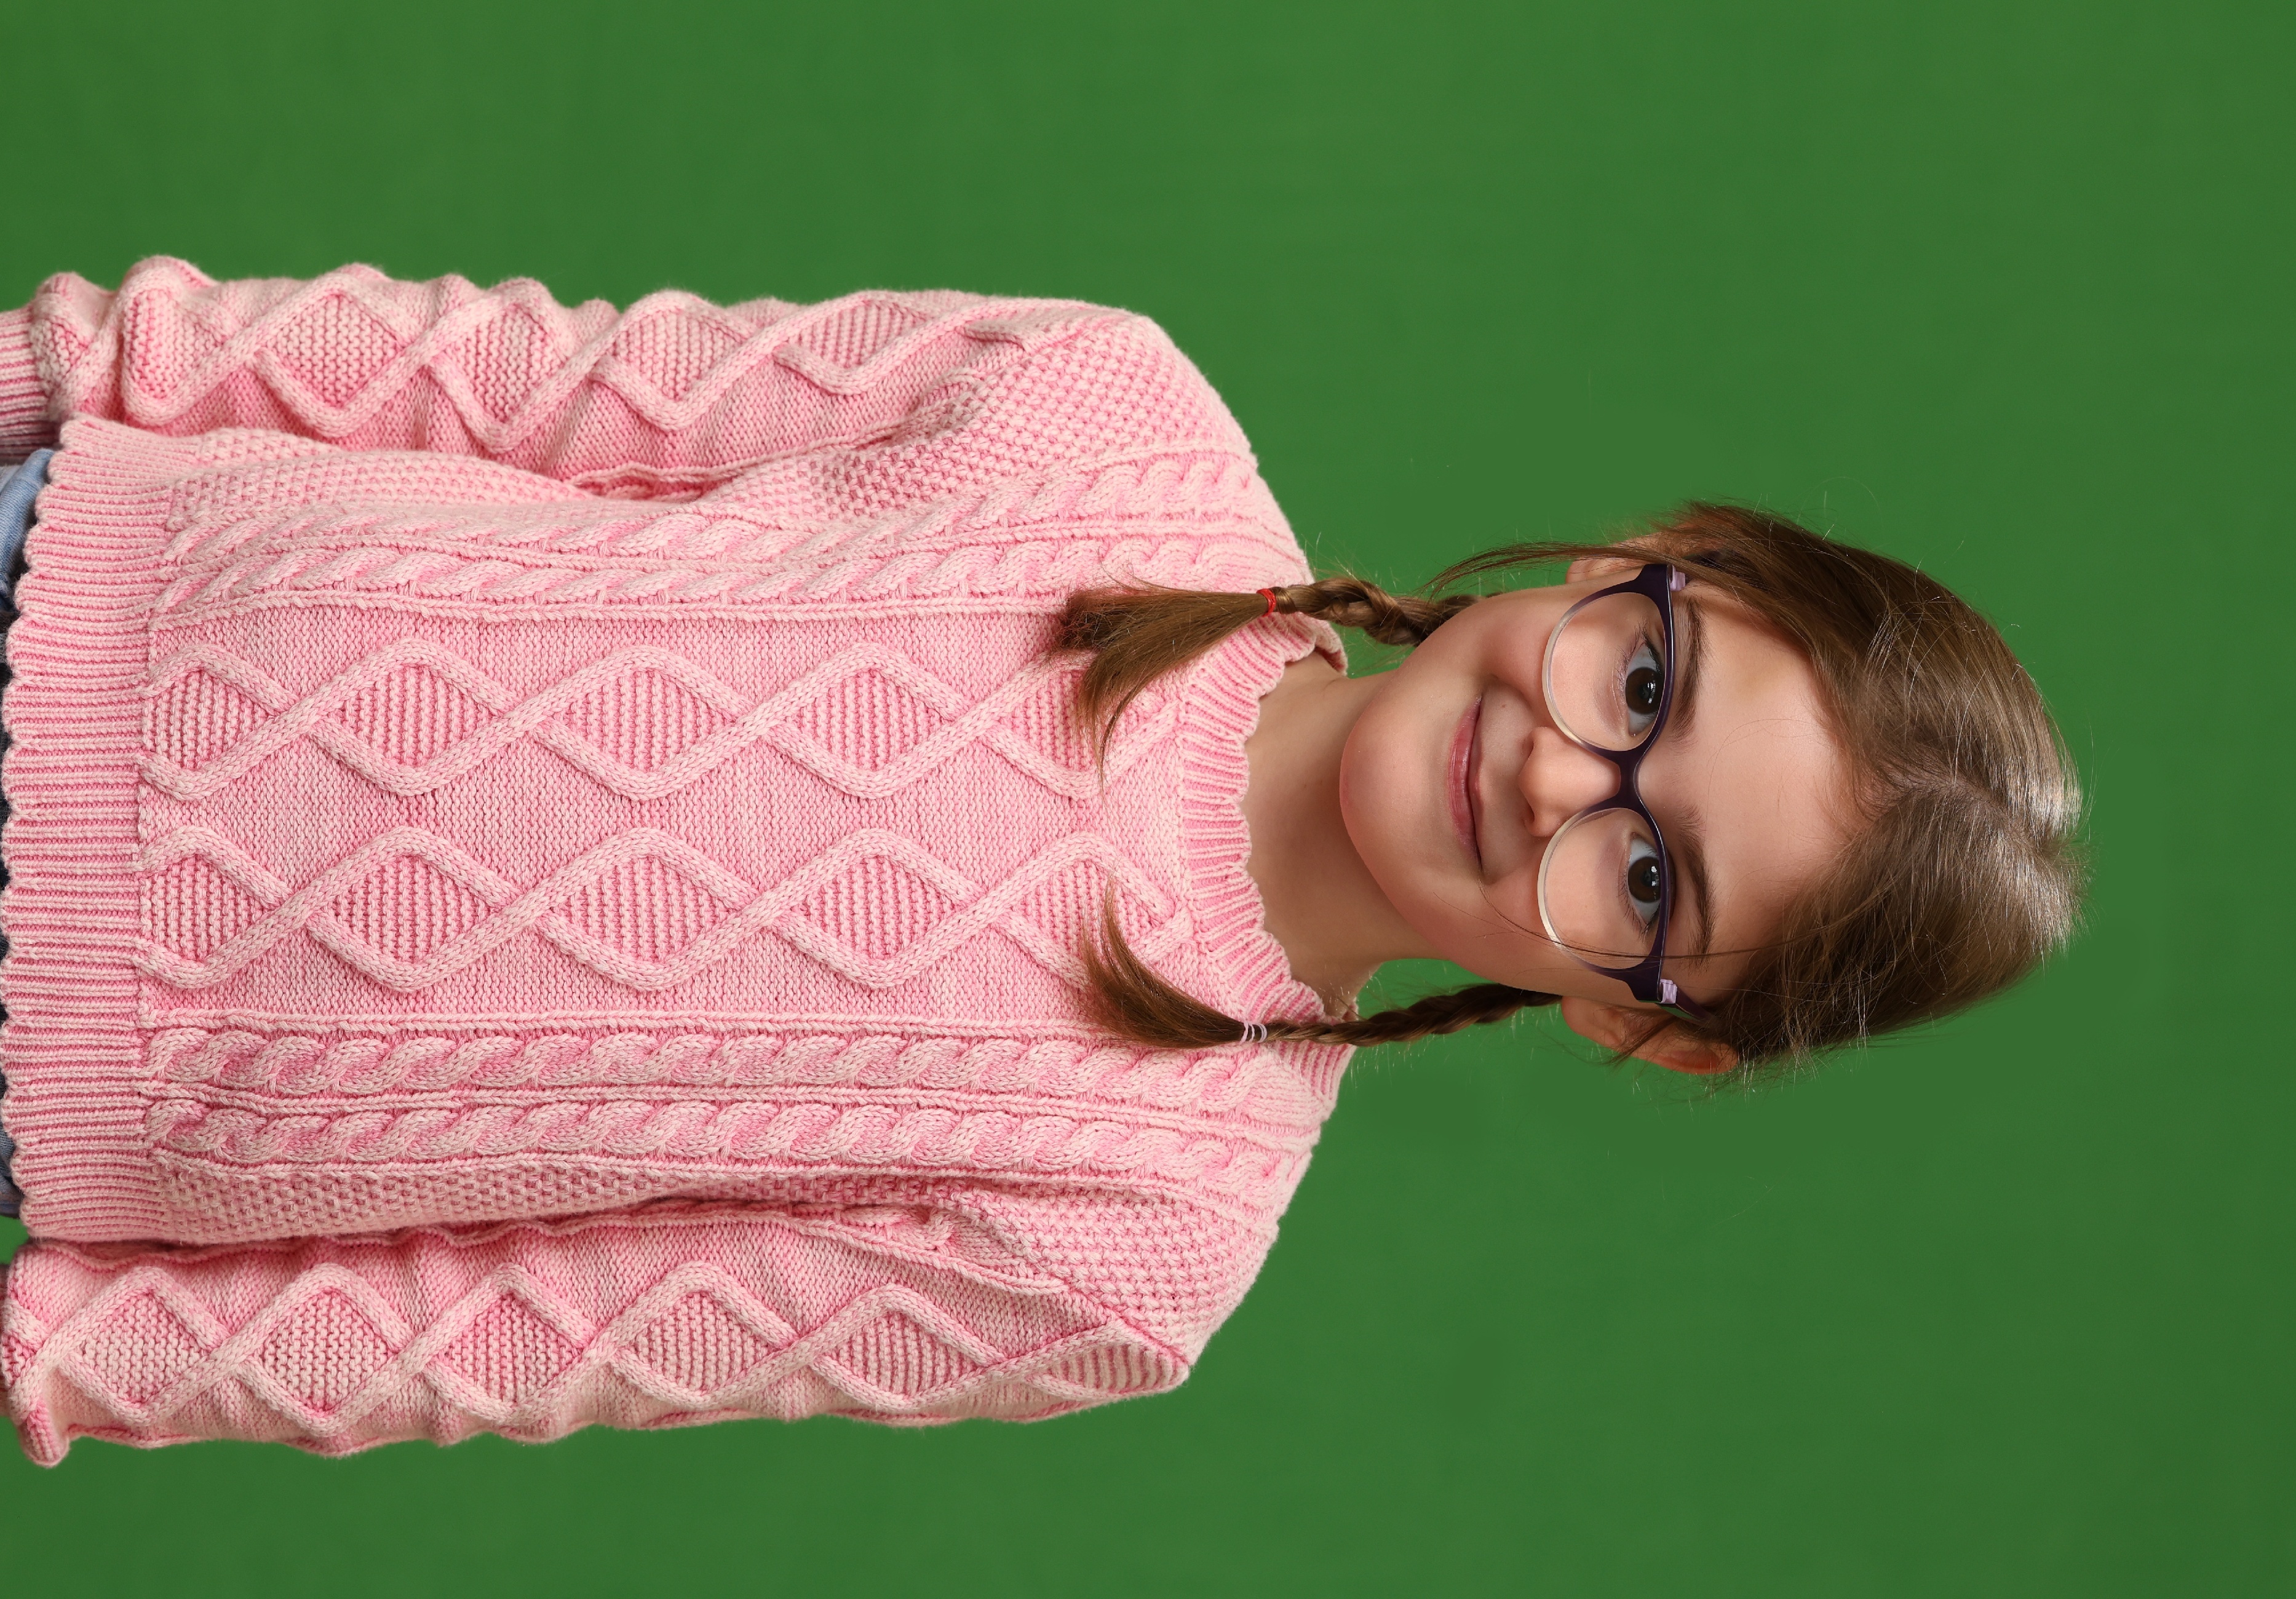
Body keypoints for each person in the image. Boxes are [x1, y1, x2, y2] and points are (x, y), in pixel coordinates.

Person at [0, 260, 2081, 1463]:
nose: (1562, 778)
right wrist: (57, 360)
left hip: (49, 1094)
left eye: (1649, 882)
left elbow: (529, 1336)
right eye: (1640, 681)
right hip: (56, 562)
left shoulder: (1140, 1242)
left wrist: (69, 1353)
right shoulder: (1105, 418)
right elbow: (525, 379)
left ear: (1651, 1029)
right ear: (1651, 558)